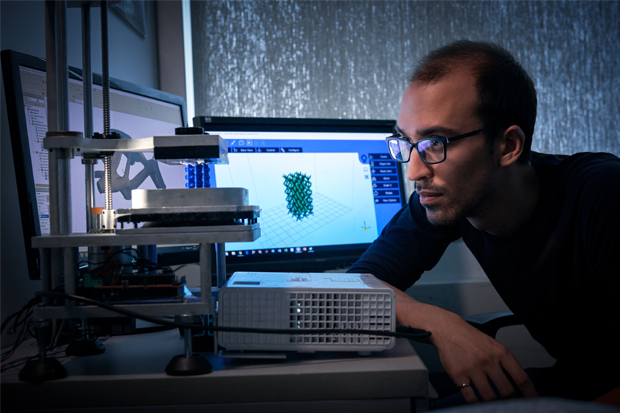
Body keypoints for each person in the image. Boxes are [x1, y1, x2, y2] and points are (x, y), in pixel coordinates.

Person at [348, 40, 620, 406]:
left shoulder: (604, 194)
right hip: (574, 382)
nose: (413, 170)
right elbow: (355, 284)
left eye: (436, 142)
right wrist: (440, 324)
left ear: (508, 146)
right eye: (407, 142)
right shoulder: (447, 197)